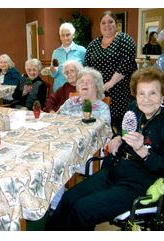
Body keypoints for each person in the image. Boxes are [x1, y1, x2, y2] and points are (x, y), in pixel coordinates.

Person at [46, 67, 164, 230]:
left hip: (141, 182)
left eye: (153, 93)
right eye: (141, 93)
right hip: (115, 170)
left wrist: (142, 150)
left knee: (83, 209)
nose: (146, 99)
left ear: (163, 94)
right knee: (69, 198)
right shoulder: (134, 108)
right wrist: (117, 138)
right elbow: (125, 131)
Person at [49, 67, 111, 211]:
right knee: (51, 160)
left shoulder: (102, 108)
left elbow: (104, 135)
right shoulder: (70, 102)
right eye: (81, 81)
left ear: (96, 86)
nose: (84, 83)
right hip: (64, 147)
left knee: (57, 162)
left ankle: (58, 205)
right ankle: (55, 205)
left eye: (88, 81)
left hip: (89, 153)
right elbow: (55, 121)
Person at [84, 11, 137, 130]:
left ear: (116, 24)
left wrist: (110, 83)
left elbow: (126, 63)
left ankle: (121, 146)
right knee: (100, 124)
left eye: (110, 22)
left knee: (121, 125)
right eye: (103, 23)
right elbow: (87, 67)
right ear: (100, 26)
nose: (106, 25)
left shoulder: (124, 39)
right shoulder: (93, 44)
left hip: (121, 92)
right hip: (99, 92)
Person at [50, 22, 86, 93]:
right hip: (59, 90)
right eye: (63, 35)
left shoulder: (82, 50)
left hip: (76, 90)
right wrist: (53, 71)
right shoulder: (56, 52)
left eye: (68, 34)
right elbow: (53, 75)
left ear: (73, 35)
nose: (65, 37)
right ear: (60, 37)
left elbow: (87, 71)